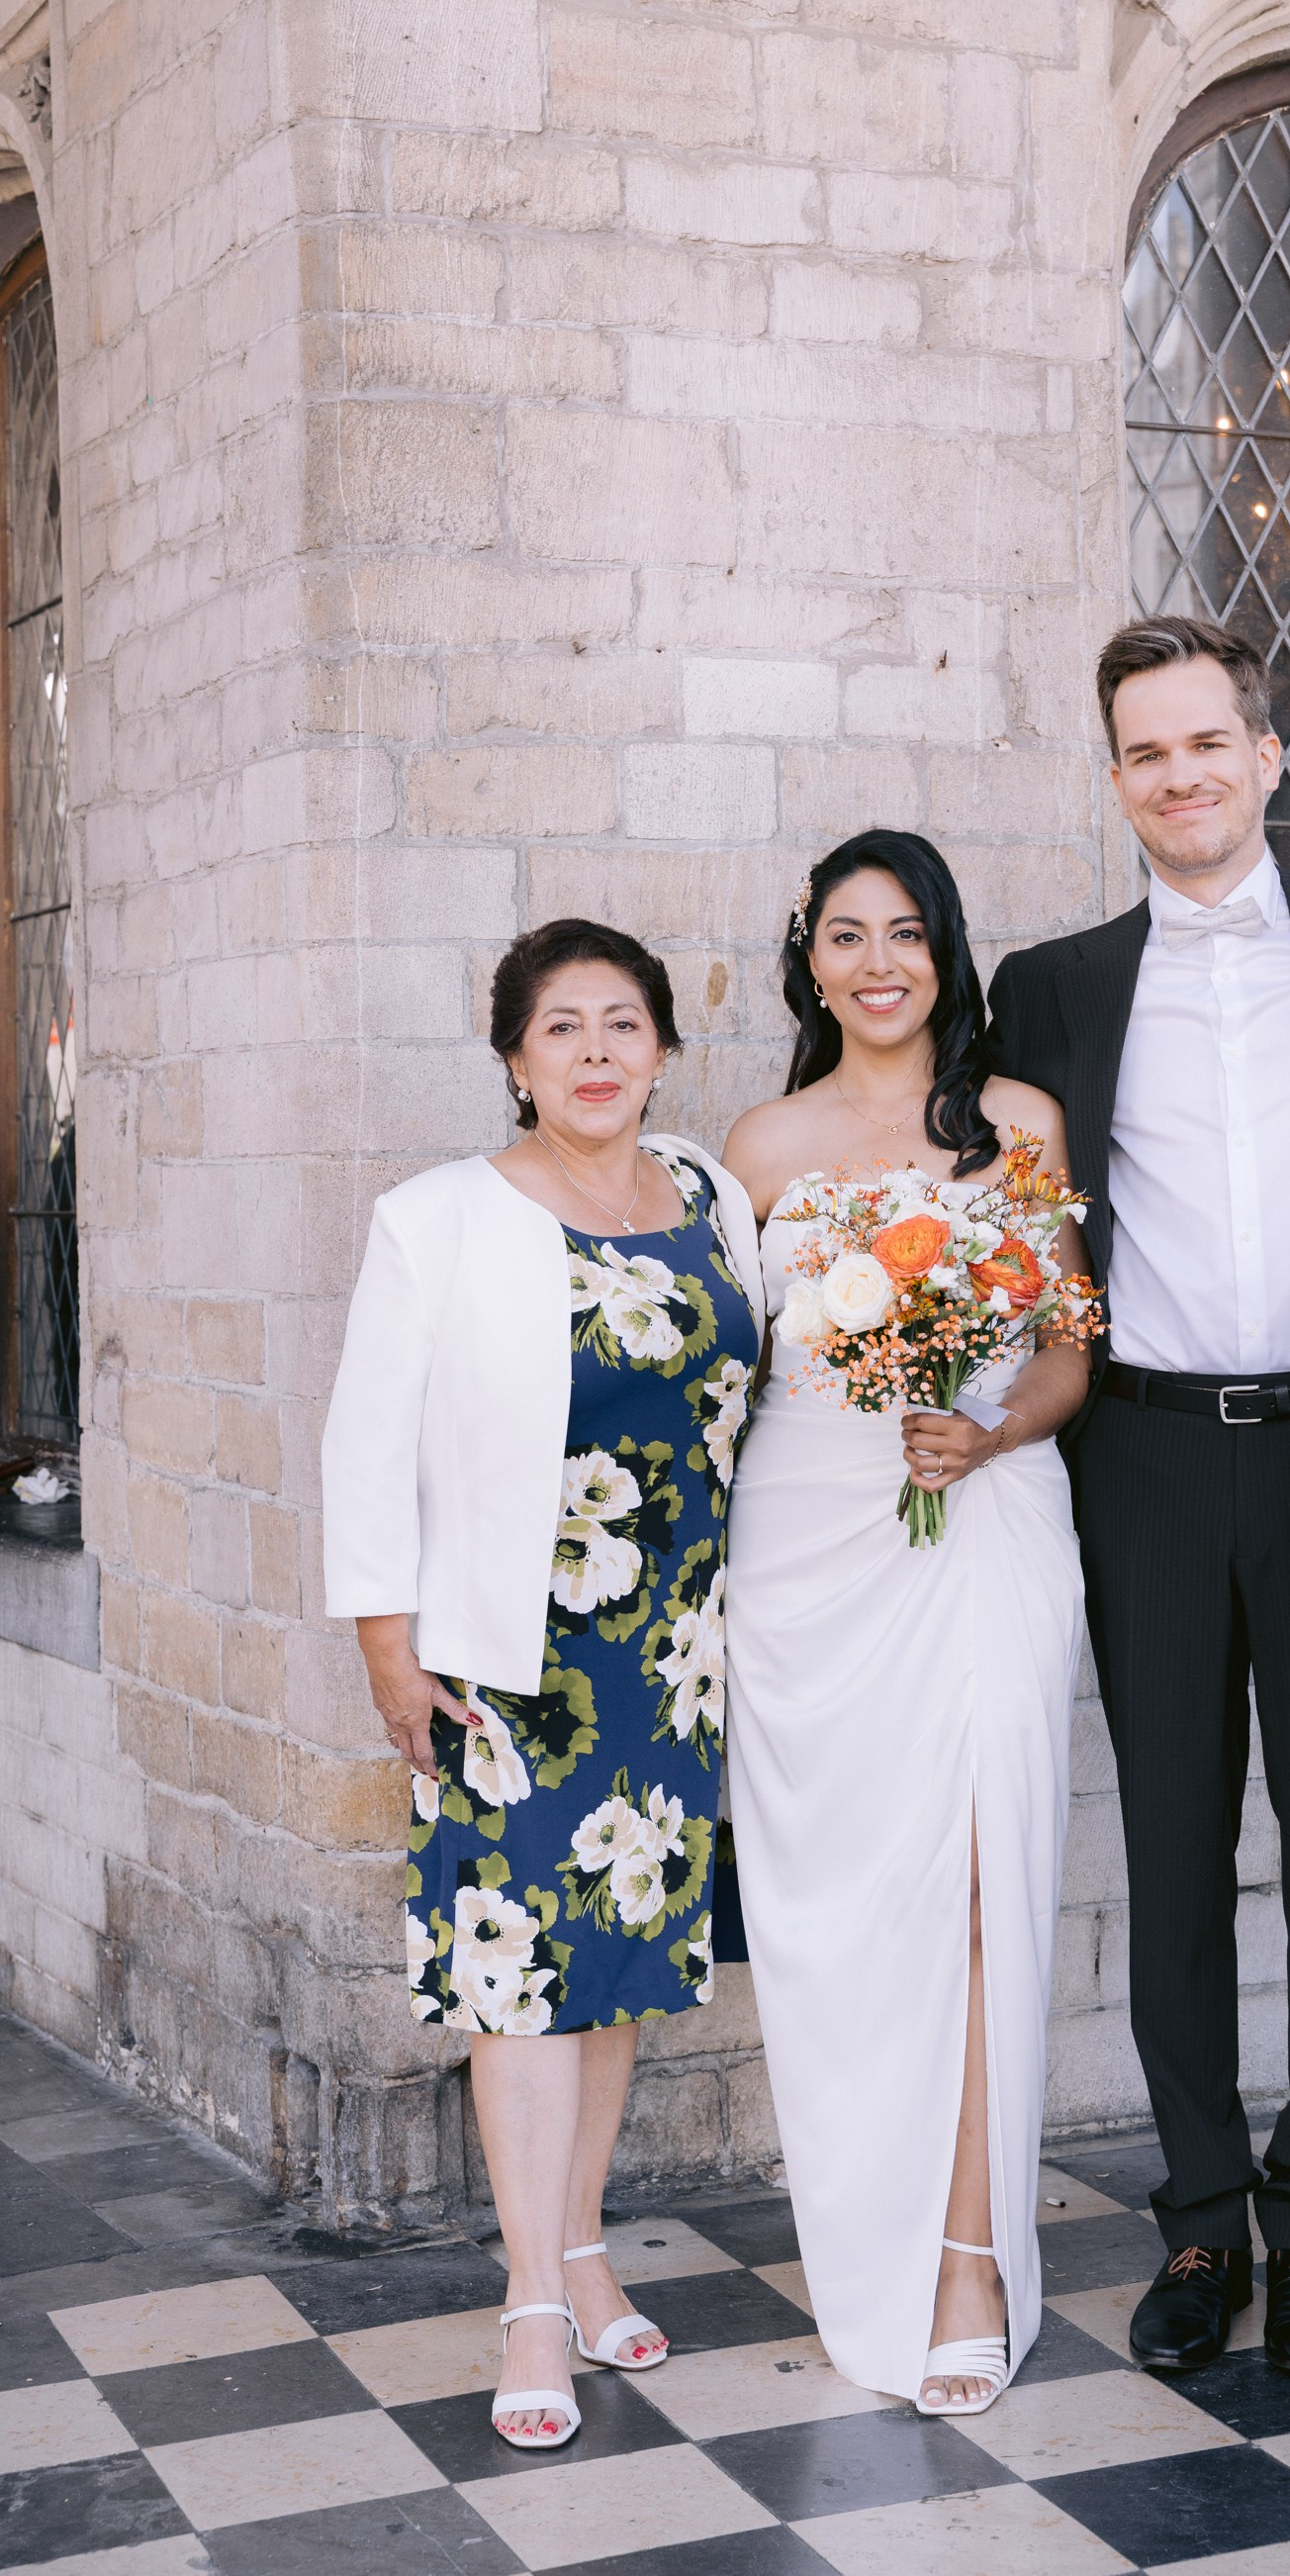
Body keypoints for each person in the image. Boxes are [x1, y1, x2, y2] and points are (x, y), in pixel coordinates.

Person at [987, 617, 1290, 2378]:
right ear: (1113, 777)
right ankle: (1199, 2217)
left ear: (1267, 758)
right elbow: (996, 1208)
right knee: (1174, 1843)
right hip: (1150, 1453)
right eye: (1142, 751)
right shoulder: (1050, 983)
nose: (1178, 775)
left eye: (1206, 742)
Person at [322, 917, 763, 2453]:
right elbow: (367, 1438)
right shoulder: (438, 1215)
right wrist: (390, 1640)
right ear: (513, 1057)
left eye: (622, 1023)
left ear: (660, 1046)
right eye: (561, 1027)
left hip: (677, 1647)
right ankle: (525, 2295)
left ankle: (581, 2244)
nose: (594, 1051)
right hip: (513, 1653)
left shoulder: (708, 1195)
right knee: (523, 1969)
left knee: (628, 1953)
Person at [722, 830, 1091, 2415]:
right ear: (808, 957)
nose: (879, 964)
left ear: (947, 951)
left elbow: (1073, 1349)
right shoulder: (757, 1144)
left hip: (987, 1518)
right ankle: (861, 2225)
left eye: (908, 934)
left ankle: (967, 2252)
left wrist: (989, 1429)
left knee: (979, 1876)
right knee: (853, 1903)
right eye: (846, 936)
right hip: (813, 1540)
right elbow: (724, 1379)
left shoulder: (1016, 1125)